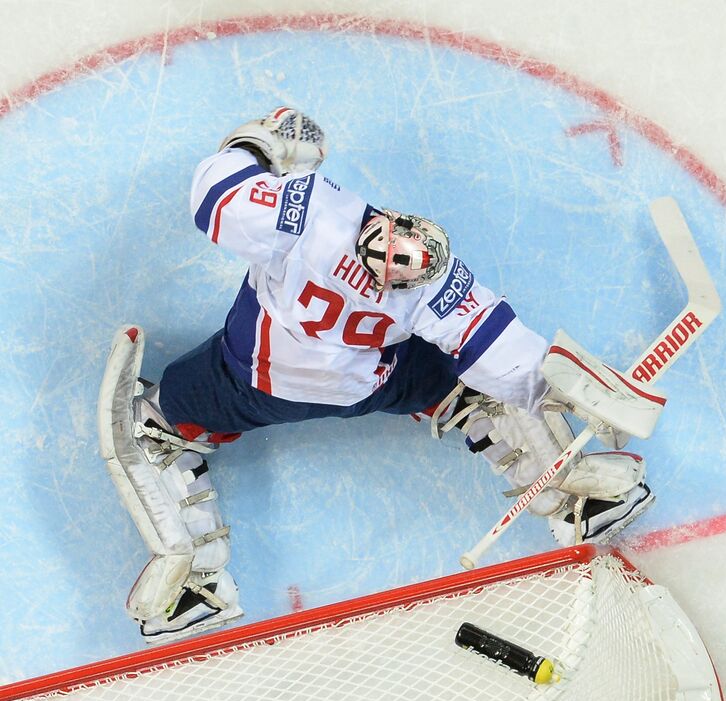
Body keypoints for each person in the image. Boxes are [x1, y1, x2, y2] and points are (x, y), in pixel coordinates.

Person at [99, 108, 654, 645]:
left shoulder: (308, 212)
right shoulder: (435, 282)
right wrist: (576, 391)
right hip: (367, 383)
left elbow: (216, 199)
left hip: (254, 379)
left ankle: (191, 586)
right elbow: (506, 359)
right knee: (474, 385)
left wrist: (260, 144)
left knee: (153, 421)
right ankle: (581, 499)